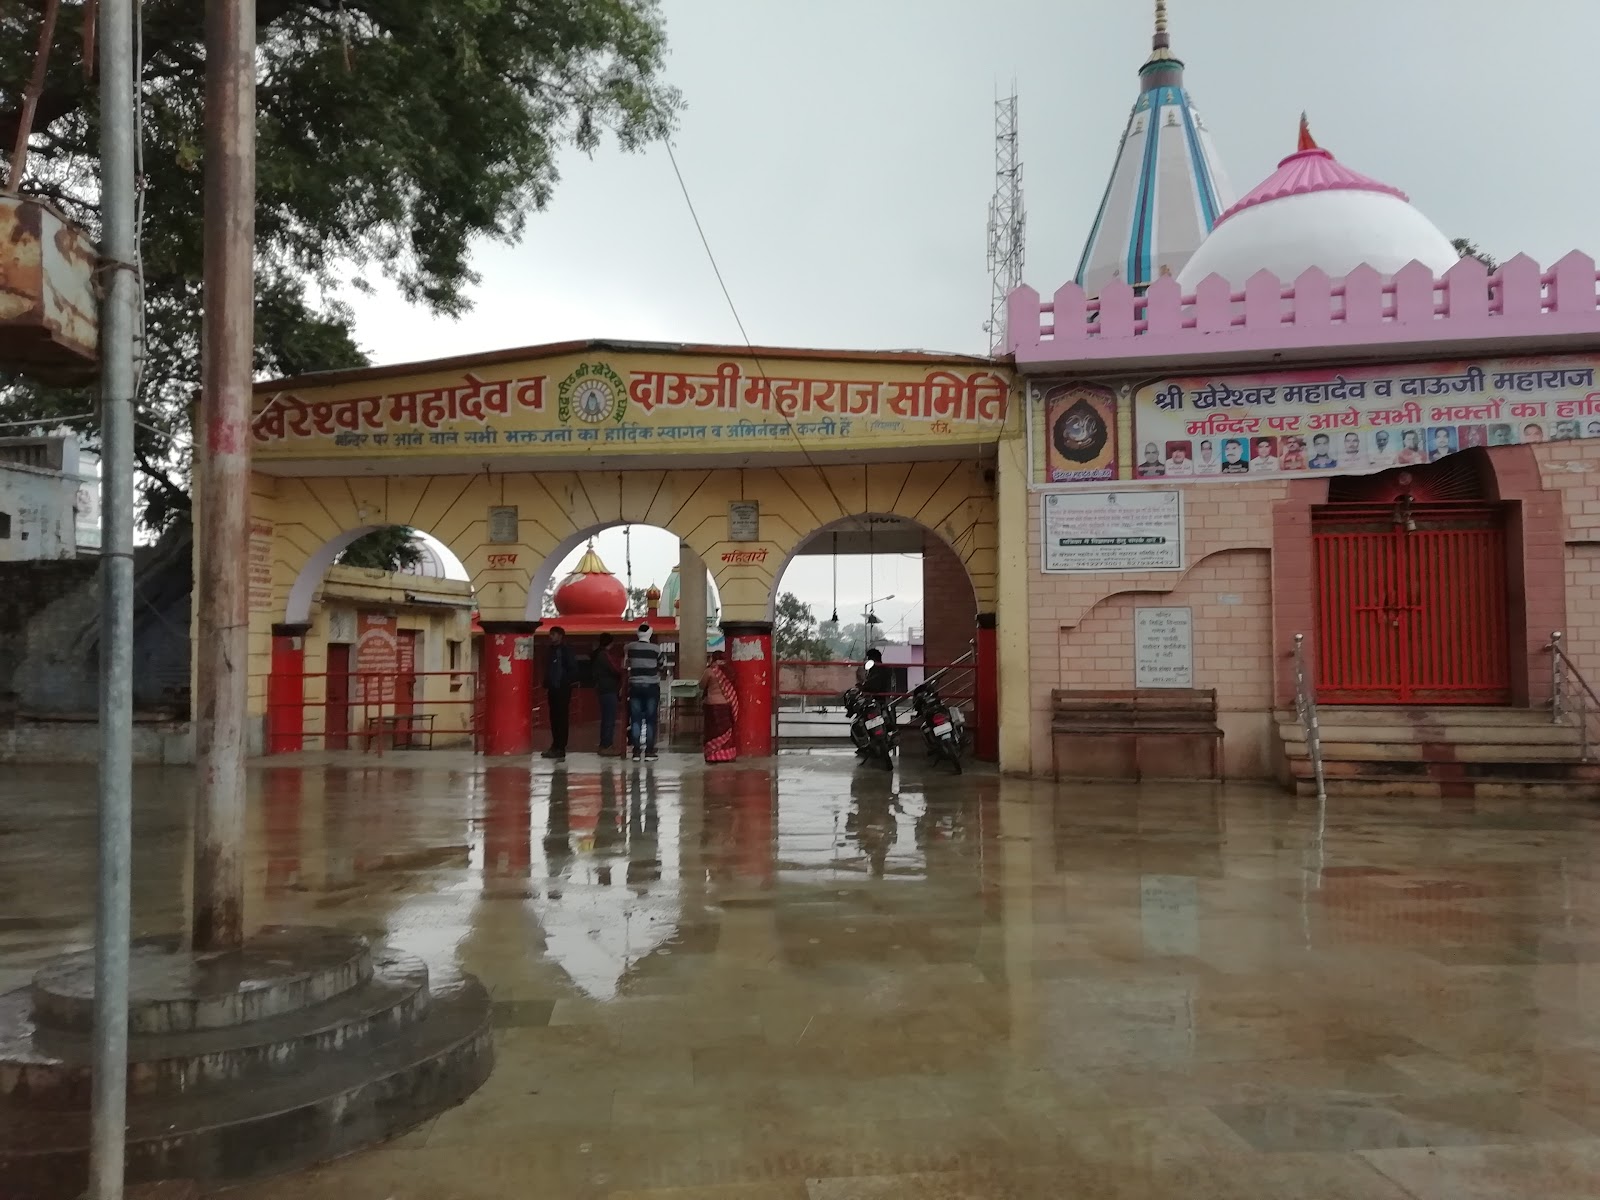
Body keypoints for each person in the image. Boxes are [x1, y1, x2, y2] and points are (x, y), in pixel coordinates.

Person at [625, 622, 665, 762]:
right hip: (651, 686)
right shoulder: (656, 649)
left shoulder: (629, 648)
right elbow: (662, 665)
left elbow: (626, 664)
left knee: (635, 719)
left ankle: (636, 752)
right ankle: (649, 752)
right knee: (650, 720)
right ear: (650, 634)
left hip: (634, 686)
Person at [542, 626, 577, 761]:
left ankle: (560, 747)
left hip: (562, 689)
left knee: (561, 718)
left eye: (554, 634)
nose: (551, 636)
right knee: (554, 718)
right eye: (550, 634)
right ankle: (555, 745)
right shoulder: (550, 650)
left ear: (560, 636)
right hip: (552, 688)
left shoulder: (566, 650)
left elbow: (573, 669)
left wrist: (565, 682)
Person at [700, 650, 740, 763]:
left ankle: (713, 756)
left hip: (712, 705)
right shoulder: (729, 670)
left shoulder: (710, 671)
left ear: (713, 658)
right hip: (727, 705)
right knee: (726, 731)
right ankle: (727, 755)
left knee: (713, 732)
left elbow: (701, 685)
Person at [591, 632, 623, 756]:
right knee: (609, 718)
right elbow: (615, 669)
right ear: (611, 642)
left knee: (606, 718)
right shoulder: (604, 655)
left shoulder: (597, 654)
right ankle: (607, 745)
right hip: (609, 689)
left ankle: (604, 744)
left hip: (602, 688)